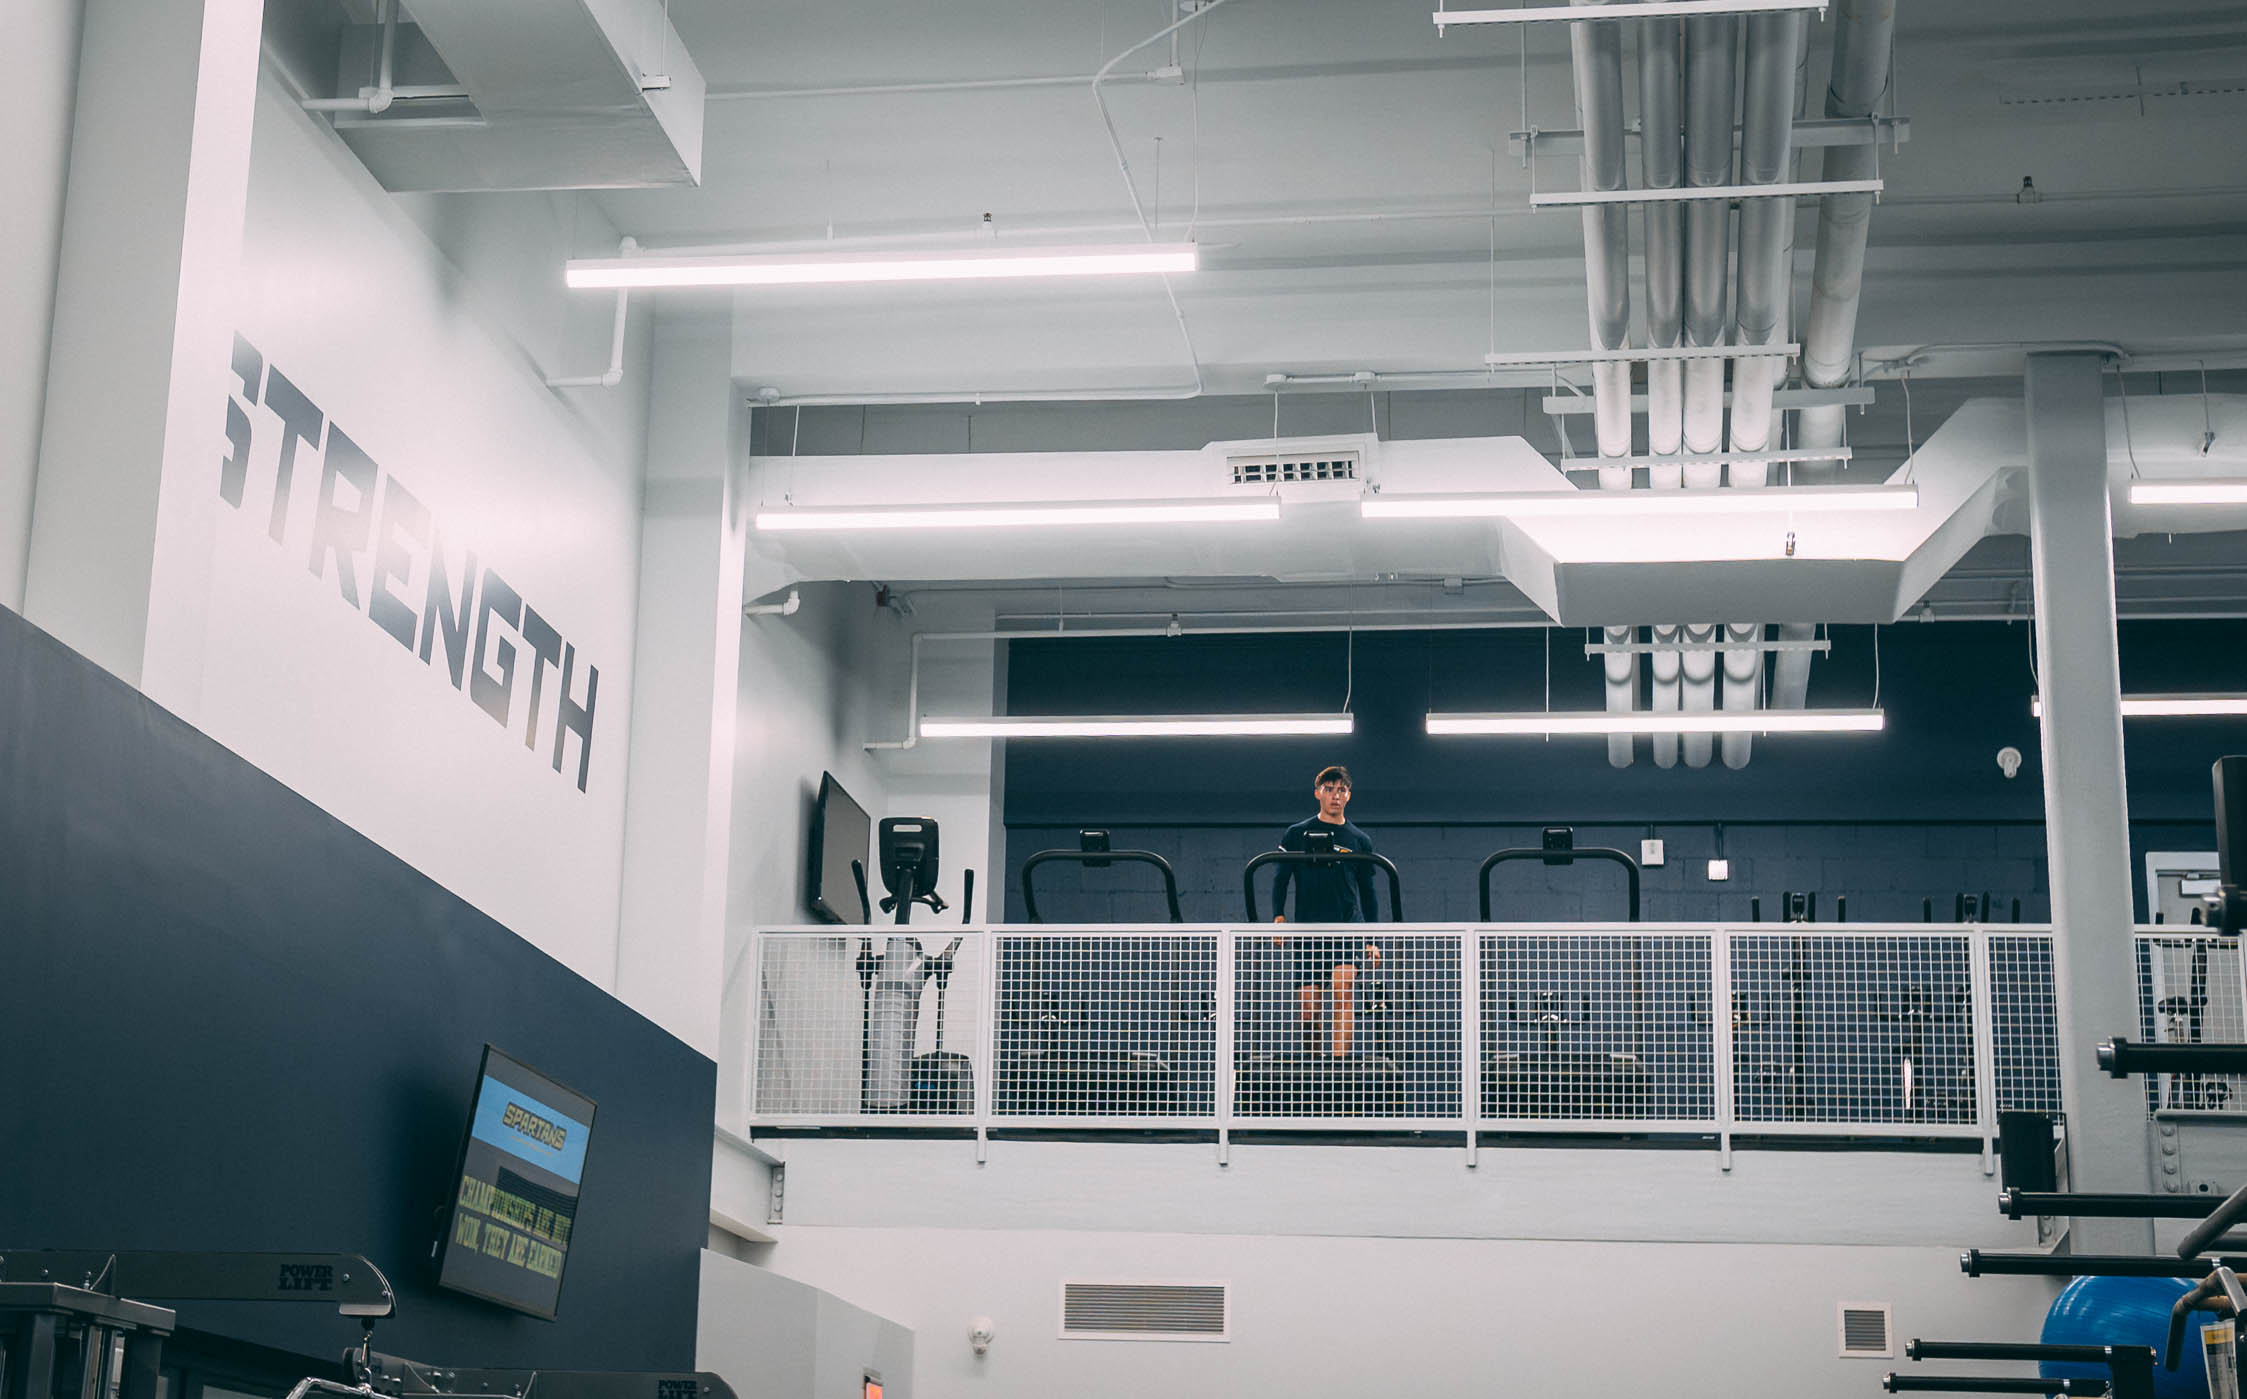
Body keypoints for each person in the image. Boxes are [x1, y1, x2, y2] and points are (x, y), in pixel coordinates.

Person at [1270, 765, 1382, 1058]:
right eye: (1329, 789)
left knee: (1342, 990)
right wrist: (1278, 916)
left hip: (1347, 929)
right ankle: (1314, 1067)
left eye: (1341, 790)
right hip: (1308, 932)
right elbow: (1280, 878)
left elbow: (1369, 893)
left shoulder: (1359, 840)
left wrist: (1372, 939)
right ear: (1318, 793)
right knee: (1309, 1006)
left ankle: (1339, 1069)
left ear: (1349, 795)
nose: (1336, 795)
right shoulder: (1296, 834)